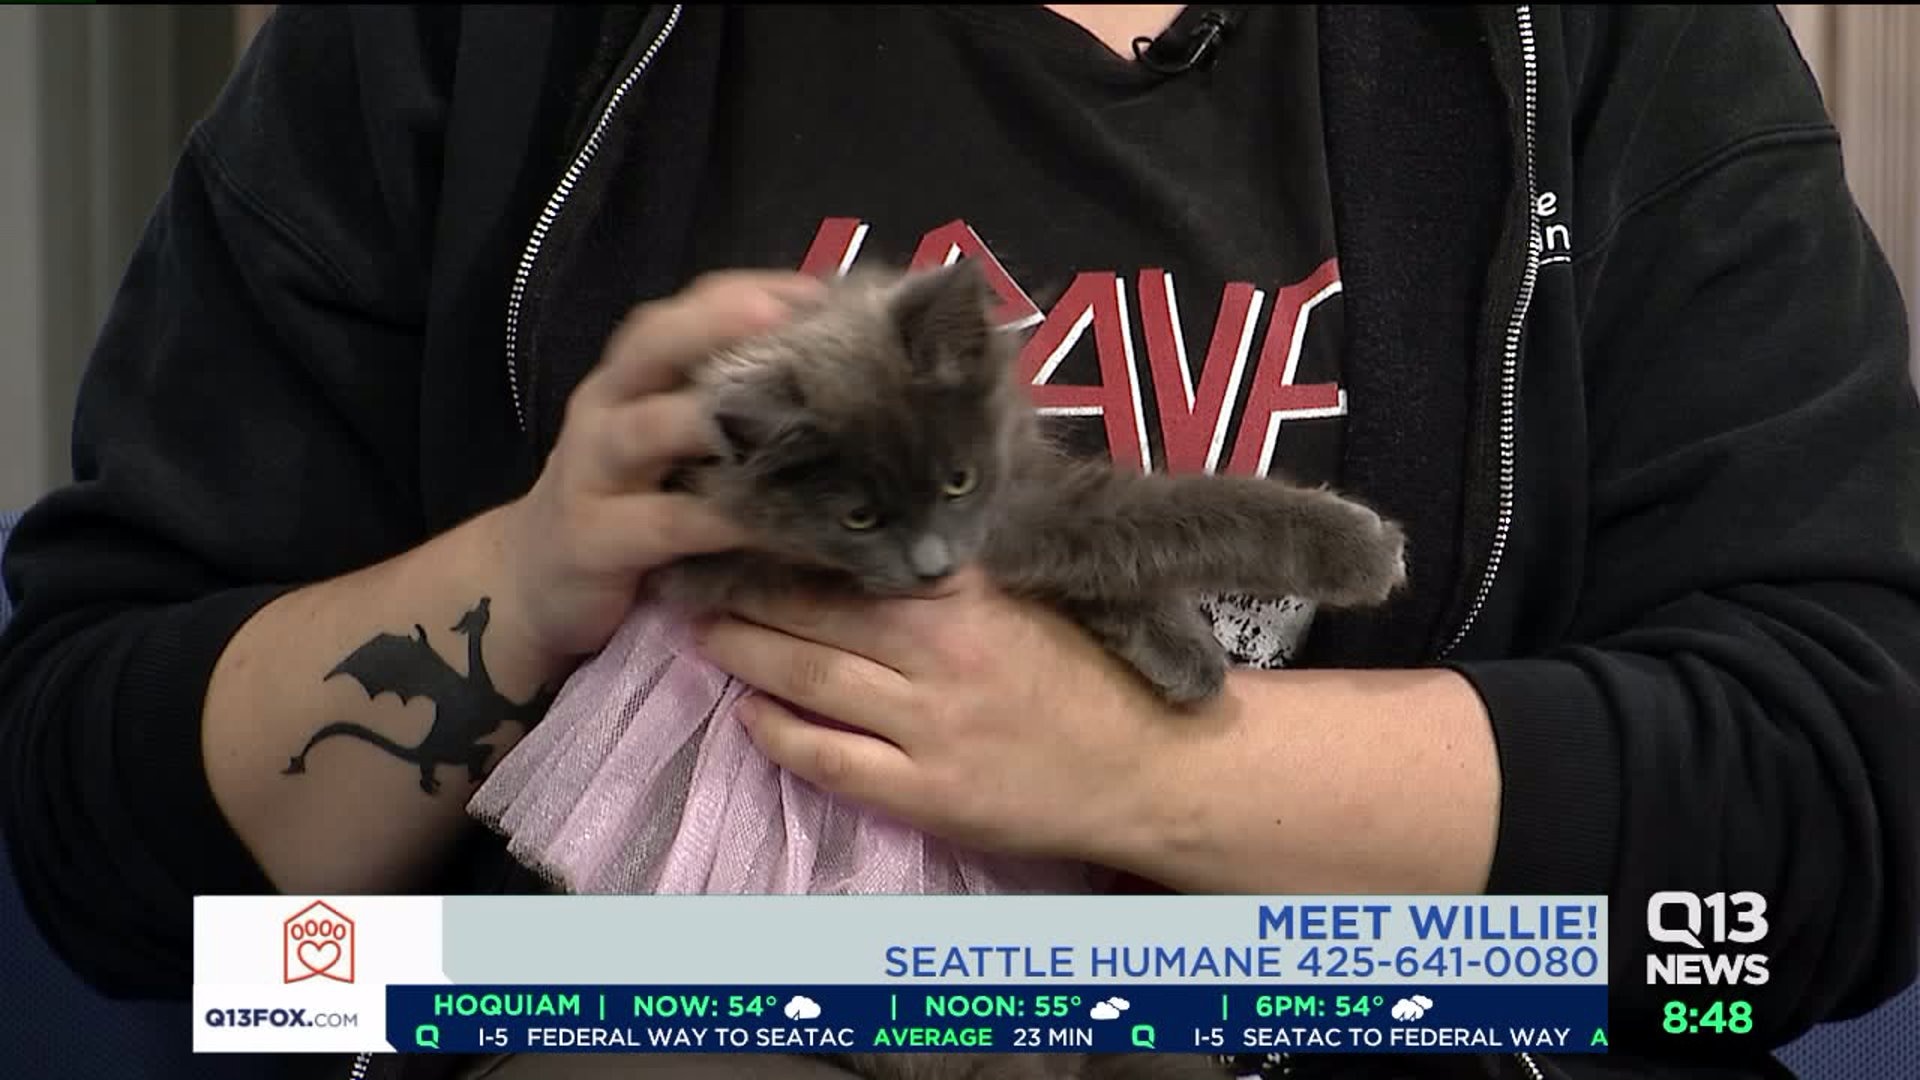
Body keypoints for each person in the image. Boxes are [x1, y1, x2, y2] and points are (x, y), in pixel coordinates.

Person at [1, 4, 1915, 1080]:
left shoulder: (1616, 47)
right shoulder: (462, 44)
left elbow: (1813, 870)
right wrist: (532, 578)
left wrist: (1148, 772)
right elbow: (136, 889)